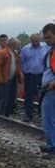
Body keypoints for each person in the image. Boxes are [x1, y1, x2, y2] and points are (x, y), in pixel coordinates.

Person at [20, 33, 49, 121]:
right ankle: (29, 115)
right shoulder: (25, 49)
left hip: (42, 75)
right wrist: (22, 73)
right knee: (29, 95)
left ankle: (41, 114)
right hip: (30, 75)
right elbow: (22, 62)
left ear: (39, 40)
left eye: (36, 41)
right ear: (30, 41)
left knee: (43, 94)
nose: (35, 43)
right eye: (33, 42)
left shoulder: (46, 47)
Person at [0, 37, 23, 116]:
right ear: (12, 44)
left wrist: (19, 75)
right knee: (4, 98)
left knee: (11, 97)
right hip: (4, 80)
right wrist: (0, 78)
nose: (18, 46)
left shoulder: (15, 54)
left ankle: (7, 114)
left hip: (12, 79)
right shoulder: (3, 53)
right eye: (17, 44)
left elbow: (17, 66)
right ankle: (1, 114)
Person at [39, 23, 55, 158]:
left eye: (49, 37)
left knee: (48, 119)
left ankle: (52, 148)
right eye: (45, 38)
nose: (47, 40)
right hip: (49, 88)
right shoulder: (51, 50)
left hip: (52, 89)